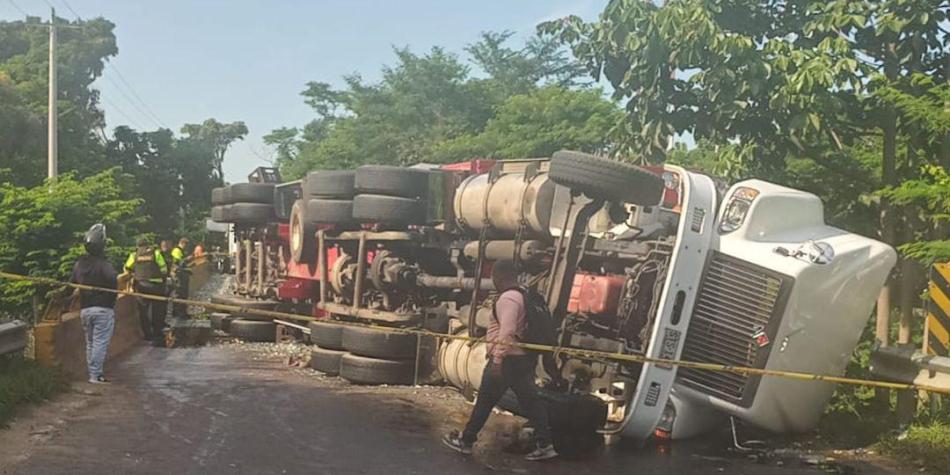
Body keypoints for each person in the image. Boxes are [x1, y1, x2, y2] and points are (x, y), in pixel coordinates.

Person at [443, 260, 557, 461]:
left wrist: (497, 360)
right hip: (522, 358)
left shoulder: (508, 299)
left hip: (507, 361)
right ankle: (545, 444)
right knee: (530, 402)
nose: (493, 281)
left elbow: (508, 331)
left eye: (494, 276)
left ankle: (466, 441)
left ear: (500, 276)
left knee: (485, 401)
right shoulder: (523, 294)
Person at [69, 224, 118, 384]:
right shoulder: (104, 264)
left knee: (90, 343)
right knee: (99, 343)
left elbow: (71, 284)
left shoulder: (79, 264)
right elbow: (113, 280)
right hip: (103, 310)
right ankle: (95, 375)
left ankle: (93, 373)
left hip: (85, 310)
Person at [125, 237, 168, 344]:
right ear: (147, 245)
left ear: (138, 246)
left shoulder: (134, 255)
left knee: (143, 311)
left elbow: (127, 267)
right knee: (157, 309)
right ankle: (158, 332)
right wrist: (163, 278)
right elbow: (164, 268)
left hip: (141, 285)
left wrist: (132, 275)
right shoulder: (156, 253)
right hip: (156, 285)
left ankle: (148, 334)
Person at [170, 237, 190, 318]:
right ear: (183, 243)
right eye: (186, 245)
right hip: (177, 276)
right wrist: (187, 259)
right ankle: (177, 312)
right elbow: (177, 263)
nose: (186, 247)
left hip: (181, 275)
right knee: (178, 293)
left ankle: (182, 312)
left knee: (183, 294)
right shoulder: (176, 250)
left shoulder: (181, 251)